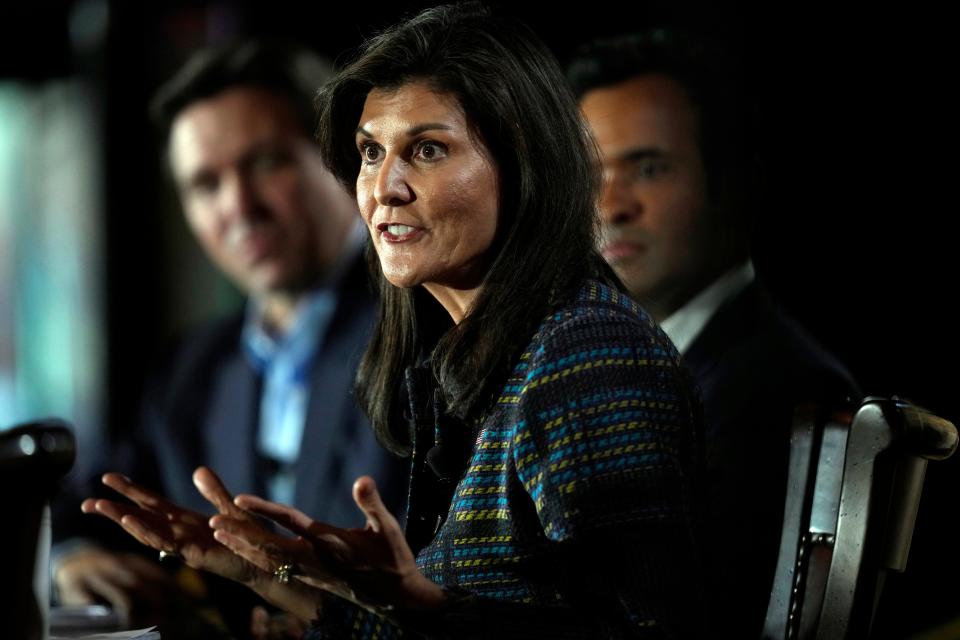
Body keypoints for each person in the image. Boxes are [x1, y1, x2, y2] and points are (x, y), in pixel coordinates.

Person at [82, 5, 705, 638]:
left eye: (427, 150)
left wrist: (423, 604)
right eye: (370, 152)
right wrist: (266, 575)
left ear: (522, 159)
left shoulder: (586, 353)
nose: (385, 188)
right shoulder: (479, 357)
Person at [53, 40, 408, 632]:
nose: (238, 205)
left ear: (345, 160)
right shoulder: (194, 366)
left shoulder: (428, 326)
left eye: (267, 162)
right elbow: (95, 498)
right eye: (205, 184)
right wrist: (75, 558)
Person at [567, 31, 861, 634]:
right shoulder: (621, 369)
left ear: (737, 187)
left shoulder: (785, 393)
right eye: (589, 174)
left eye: (648, 168)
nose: (611, 204)